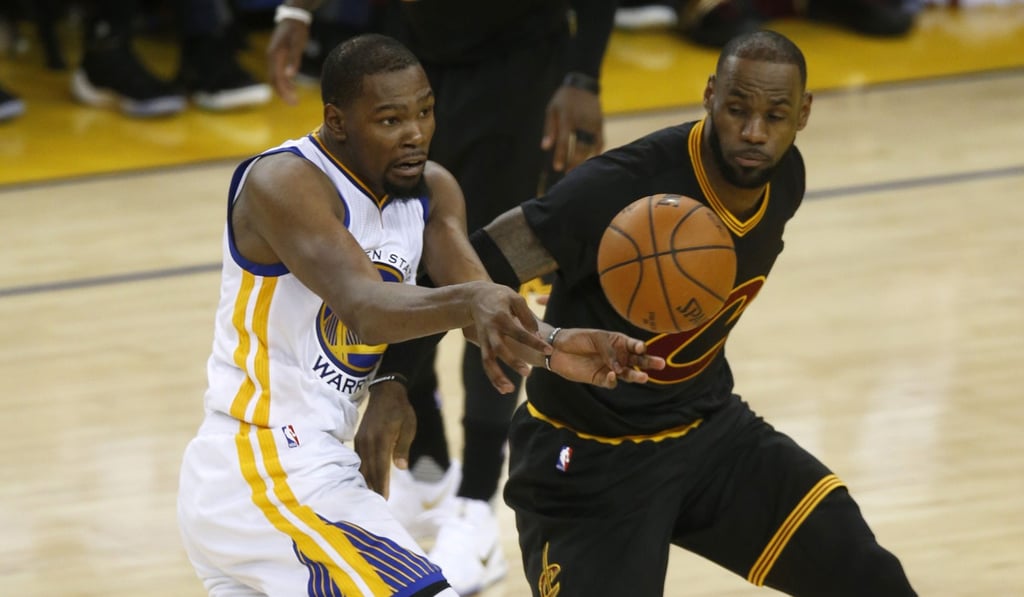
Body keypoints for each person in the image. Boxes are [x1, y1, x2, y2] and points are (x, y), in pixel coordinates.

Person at [368, 30, 919, 596]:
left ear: (803, 113)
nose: (754, 132)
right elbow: (463, 271)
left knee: (868, 576)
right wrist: (393, 379)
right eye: (737, 110)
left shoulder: (785, 179)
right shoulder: (620, 187)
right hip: (585, 462)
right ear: (709, 96)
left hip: (710, 436)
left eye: (775, 115)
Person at [176, 33, 662, 597]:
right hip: (264, 464)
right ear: (338, 122)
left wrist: (555, 345)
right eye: (389, 120)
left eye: (425, 112)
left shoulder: (432, 192)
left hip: (306, 469)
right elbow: (366, 309)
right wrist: (471, 304)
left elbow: (485, 304)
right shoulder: (282, 182)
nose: (415, 134)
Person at [266, 1, 616, 592]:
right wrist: (298, 10)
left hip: (513, 62)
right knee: (396, 261)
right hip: (407, 45)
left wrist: (583, 74)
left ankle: (477, 502)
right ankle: (425, 469)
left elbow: (478, 293)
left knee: (488, 271)